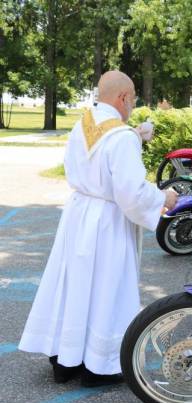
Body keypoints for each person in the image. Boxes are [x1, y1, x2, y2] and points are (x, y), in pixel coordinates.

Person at [19, 71, 178, 387]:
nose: (132, 105)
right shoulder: (121, 137)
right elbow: (131, 193)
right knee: (107, 288)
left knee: (73, 286)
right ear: (122, 98)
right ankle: (98, 366)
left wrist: (132, 135)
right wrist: (164, 197)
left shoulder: (83, 124)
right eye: (132, 99)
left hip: (79, 214)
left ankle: (64, 361)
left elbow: (98, 158)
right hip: (108, 222)